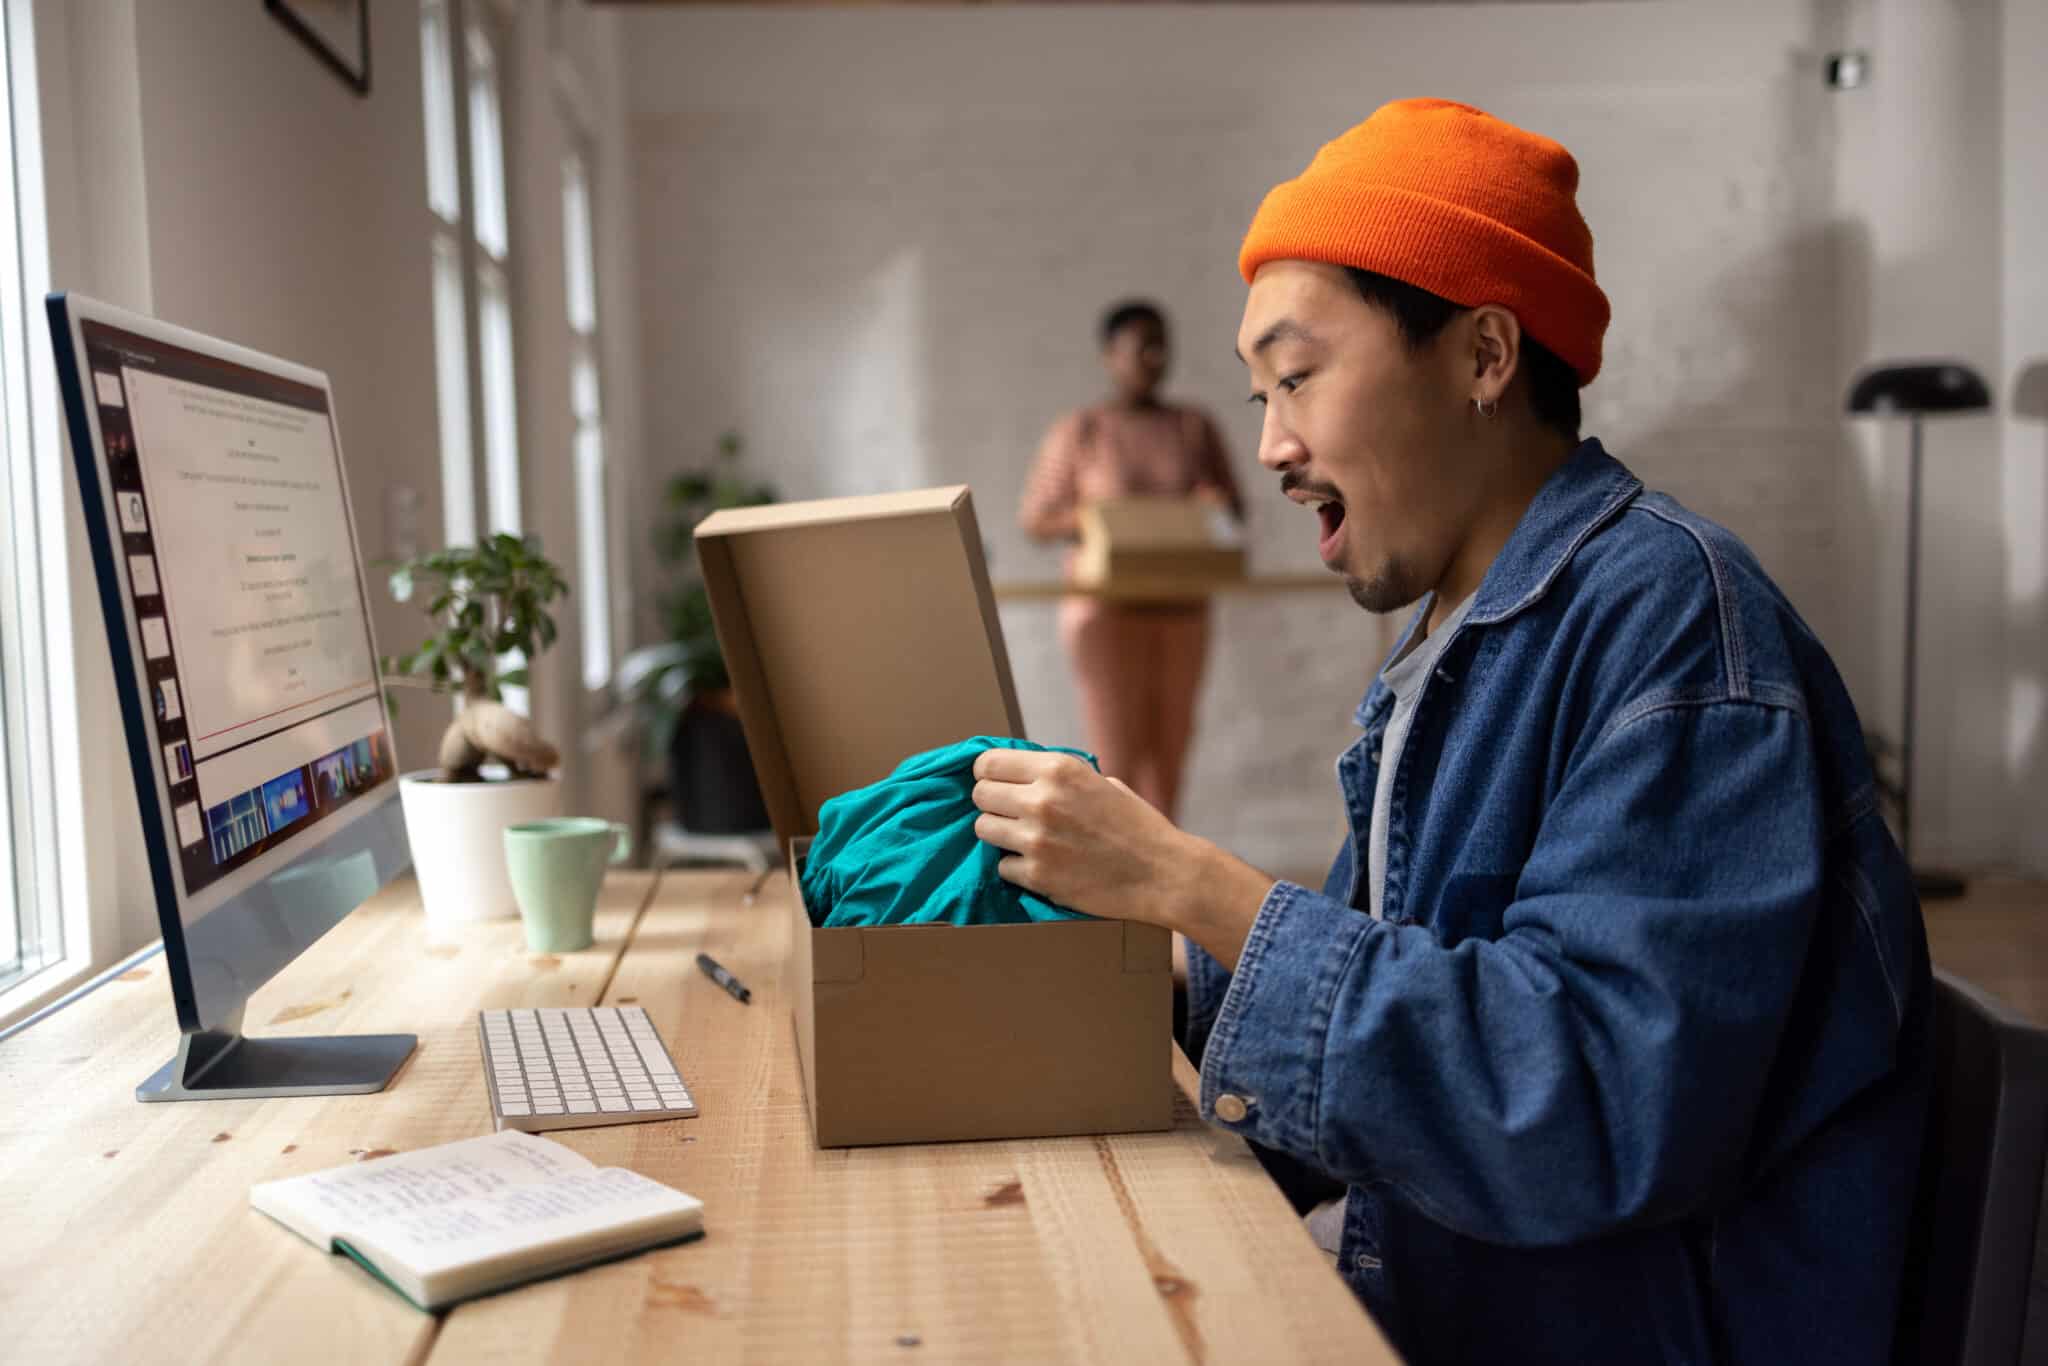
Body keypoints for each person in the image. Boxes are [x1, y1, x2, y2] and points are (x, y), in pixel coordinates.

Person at [972, 99, 1929, 1364]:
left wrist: (1195, 885)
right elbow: (1405, 999)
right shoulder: (1460, 645)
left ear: (1483, 356)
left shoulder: (1674, 627)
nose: (1269, 446)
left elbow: (1578, 1106)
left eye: (1298, 376)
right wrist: (1163, 962)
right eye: (1259, 394)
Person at [1018, 300, 1242, 820]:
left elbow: (1232, 507)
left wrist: (1209, 507)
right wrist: (1104, 522)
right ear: (1109, 355)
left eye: (1162, 345)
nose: (1154, 358)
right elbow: (1037, 517)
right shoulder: (1082, 430)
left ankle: (1160, 877)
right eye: (1141, 346)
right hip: (1105, 611)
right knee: (1115, 752)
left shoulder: (1193, 427)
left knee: (1170, 751)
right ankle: (1116, 875)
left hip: (1181, 607)